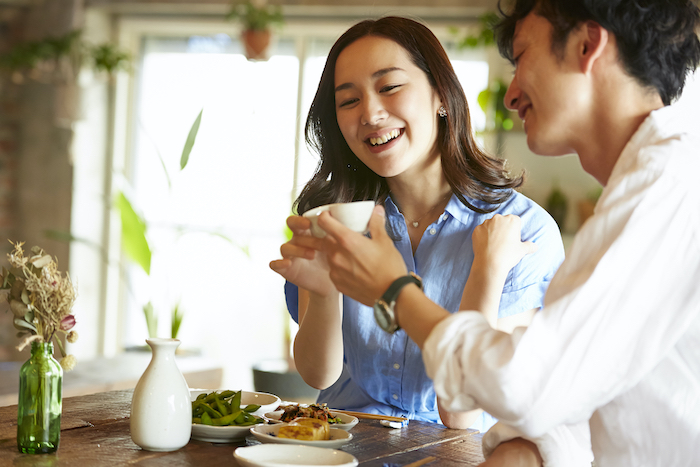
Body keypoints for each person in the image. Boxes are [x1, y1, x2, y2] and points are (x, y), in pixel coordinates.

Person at [314, 0, 700, 465]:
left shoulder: (667, 187)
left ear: (586, 46)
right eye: (349, 99)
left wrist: (395, 290)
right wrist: (526, 446)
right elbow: (574, 394)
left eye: (521, 58)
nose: (512, 93)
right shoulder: (649, 185)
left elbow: (524, 384)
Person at [269, 16, 564, 432]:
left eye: (389, 87)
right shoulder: (333, 220)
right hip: (340, 446)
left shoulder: (522, 232)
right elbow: (319, 376)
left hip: (454, 452)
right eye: (348, 101)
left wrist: (486, 270)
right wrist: (322, 290)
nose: (370, 113)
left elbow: (464, 411)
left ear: (441, 95)